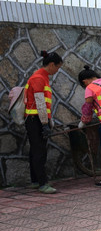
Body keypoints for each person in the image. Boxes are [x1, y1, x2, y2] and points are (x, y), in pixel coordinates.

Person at [25, 51, 63, 193]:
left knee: (36, 150)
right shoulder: (39, 78)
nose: (57, 70)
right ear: (51, 64)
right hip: (35, 119)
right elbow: (40, 102)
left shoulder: (42, 77)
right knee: (39, 151)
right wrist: (45, 123)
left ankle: (36, 180)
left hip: (36, 119)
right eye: (57, 67)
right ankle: (42, 183)